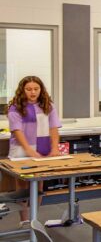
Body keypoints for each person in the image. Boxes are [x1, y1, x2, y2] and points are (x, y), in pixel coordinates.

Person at [7, 76, 61, 221]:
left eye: (36, 89)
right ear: (22, 90)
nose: (33, 92)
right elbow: (17, 131)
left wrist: (55, 148)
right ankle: (24, 220)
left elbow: (54, 127)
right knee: (22, 186)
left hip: (42, 149)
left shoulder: (48, 105)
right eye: (29, 89)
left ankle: (34, 219)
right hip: (21, 150)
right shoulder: (15, 107)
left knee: (38, 186)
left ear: (41, 89)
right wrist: (29, 151)